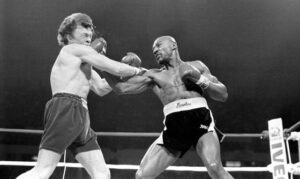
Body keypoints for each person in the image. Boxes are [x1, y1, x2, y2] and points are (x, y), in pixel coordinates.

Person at [16, 13, 144, 179]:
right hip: (65, 107)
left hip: (82, 115)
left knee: (101, 173)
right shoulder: (73, 49)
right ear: (69, 35)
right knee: (43, 170)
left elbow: (101, 88)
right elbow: (115, 68)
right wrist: (137, 70)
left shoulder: (85, 64)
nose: (89, 34)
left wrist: (126, 72)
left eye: (90, 31)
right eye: (84, 30)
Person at [104, 36, 234, 179]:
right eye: (153, 49)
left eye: (159, 45)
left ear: (173, 45)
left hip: (200, 119)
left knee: (215, 168)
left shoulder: (197, 66)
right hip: (174, 124)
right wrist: (99, 60)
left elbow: (223, 94)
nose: (155, 50)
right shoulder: (153, 75)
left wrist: (200, 79)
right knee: (142, 176)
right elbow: (121, 88)